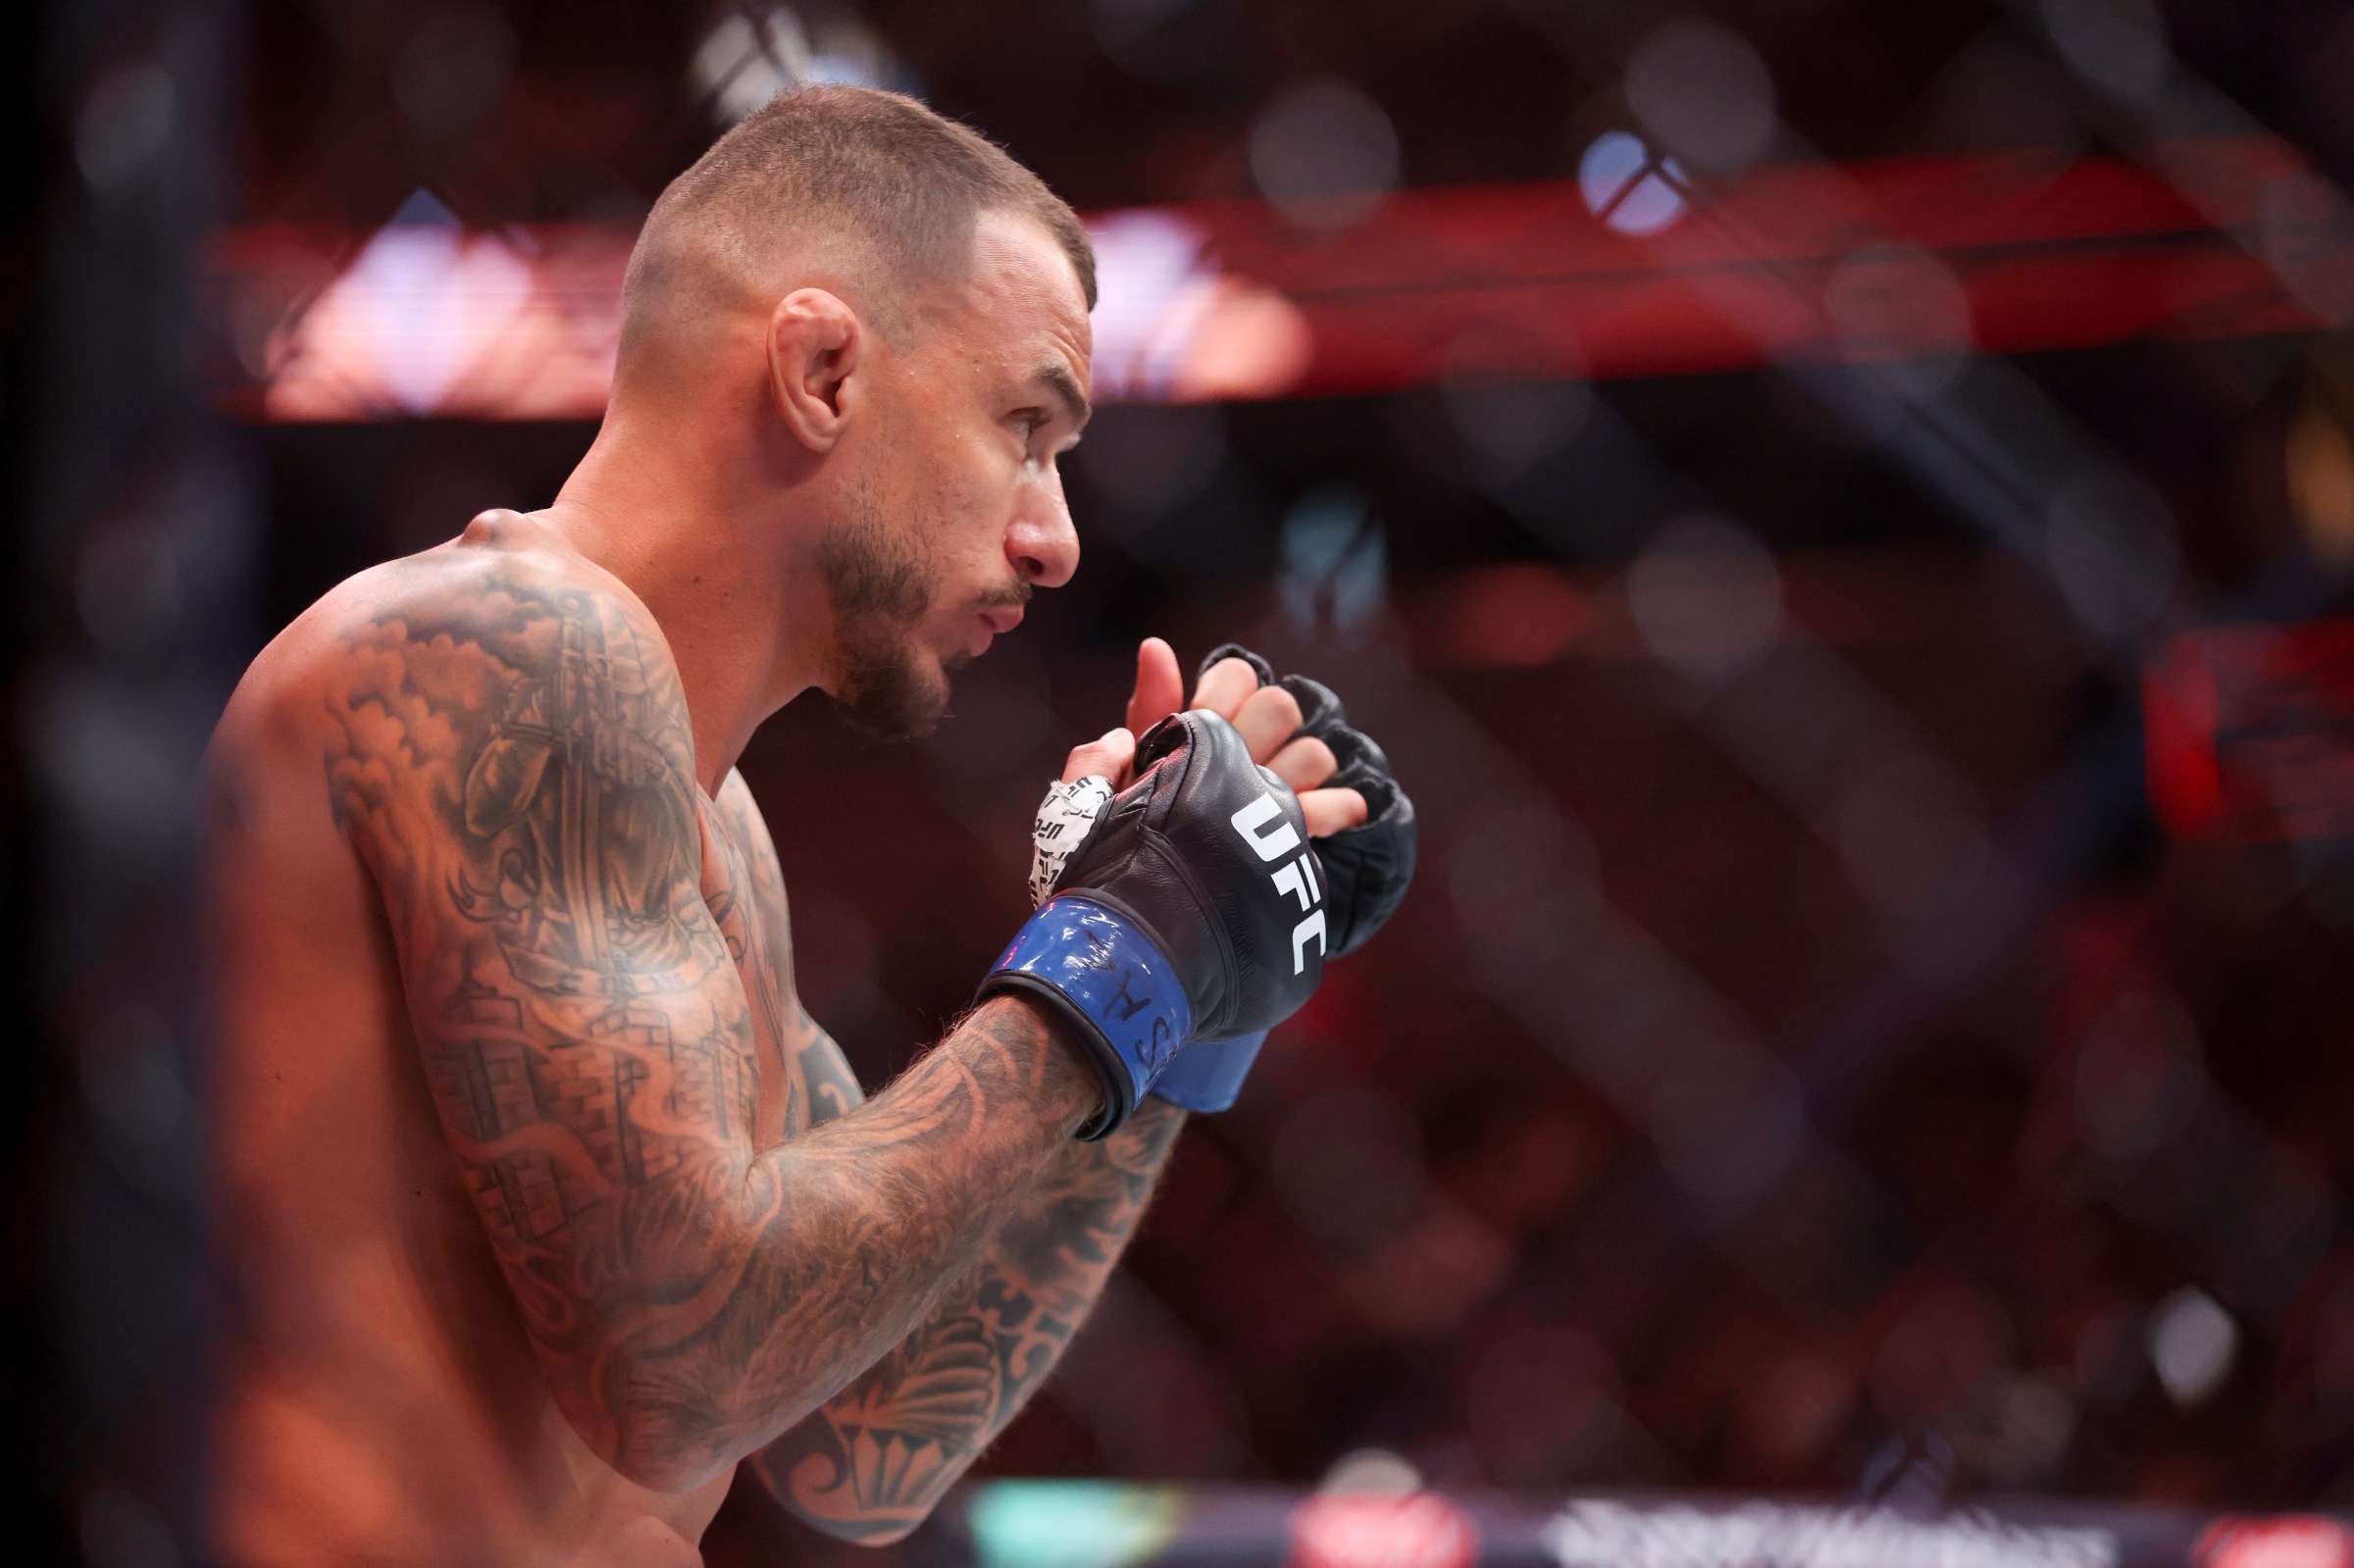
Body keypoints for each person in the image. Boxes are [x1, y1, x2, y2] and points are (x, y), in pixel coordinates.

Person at [200, 85, 1410, 1567]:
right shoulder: (501, 650)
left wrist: (1192, 998)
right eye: (1023, 426)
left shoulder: (720, 826)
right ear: (822, 370)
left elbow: (862, 1441)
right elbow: (679, 1375)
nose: (1055, 538)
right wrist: (1124, 947)